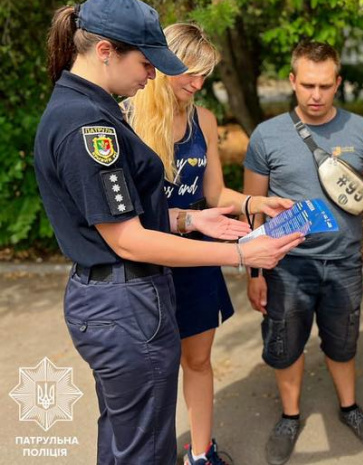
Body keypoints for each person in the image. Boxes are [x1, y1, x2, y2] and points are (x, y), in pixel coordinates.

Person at [34, 0, 303, 465]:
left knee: (129, 436)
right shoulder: (90, 125)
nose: (152, 73)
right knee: (145, 447)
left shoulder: (86, 109)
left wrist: (192, 218)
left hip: (125, 294)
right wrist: (242, 254)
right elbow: (127, 238)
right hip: (126, 299)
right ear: (105, 51)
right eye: (145, 61)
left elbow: (131, 216)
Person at [125, 23, 292, 465]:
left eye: (205, 75)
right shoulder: (125, 117)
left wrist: (257, 200)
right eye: (190, 73)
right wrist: (187, 219)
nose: (198, 85)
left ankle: (200, 453)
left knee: (197, 362)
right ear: (161, 66)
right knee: (151, 371)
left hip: (198, 257)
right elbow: (128, 220)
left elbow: (216, 194)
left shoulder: (204, 119)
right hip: (145, 261)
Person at [243, 41, 363, 465]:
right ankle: (290, 417)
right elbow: (252, 208)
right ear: (292, 81)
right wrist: (253, 275)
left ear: (338, 82)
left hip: (344, 262)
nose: (316, 95)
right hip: (285, 266)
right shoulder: (266, 134)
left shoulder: (360, 130)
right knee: (286, 346)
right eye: (307, 84)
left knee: (342, 344)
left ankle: (349, 408)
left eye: (326, 85)